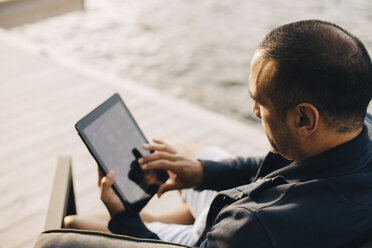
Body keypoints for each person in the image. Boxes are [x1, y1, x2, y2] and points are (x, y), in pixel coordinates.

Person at [68, 19, 372, 247]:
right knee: (183, 149)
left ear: (305, 119)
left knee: (75, 224)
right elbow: (279, 167)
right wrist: (201, 173)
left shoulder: (251, 227)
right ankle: (172, 217)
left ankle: (165, 223)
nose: (254, 111)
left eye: (260, 102)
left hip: (215, 233)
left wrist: (123, 217)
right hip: (235, 209)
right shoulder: (359, 128)